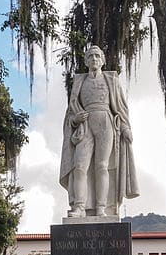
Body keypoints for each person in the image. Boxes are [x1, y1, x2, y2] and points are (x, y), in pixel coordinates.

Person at [59, 45, 139, 218]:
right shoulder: (79, 82)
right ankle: (80, 206)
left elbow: (121, 107)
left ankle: (101, 207)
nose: (94, 59)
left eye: (97, 56)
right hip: (85, 124)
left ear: (102, 60)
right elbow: (70, 114)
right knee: (80, 166)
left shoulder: (112, 80)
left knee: (102, 166)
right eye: (90, 56)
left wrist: (125, 127)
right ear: (86, 61)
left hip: (105, 121)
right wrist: (75, 120)